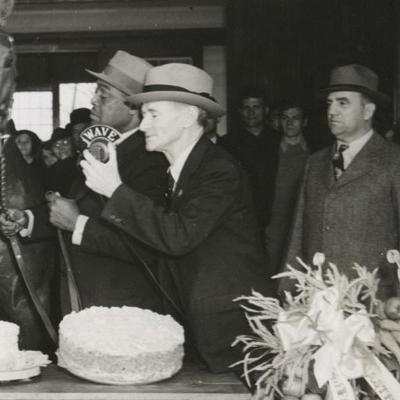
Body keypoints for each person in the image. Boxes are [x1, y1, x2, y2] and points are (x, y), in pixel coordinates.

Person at [75, 63, 271, 372]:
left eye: (153, 114)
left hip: (232, 339)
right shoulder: (179, 171)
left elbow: (177, 237)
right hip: (199, 333)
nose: (142, 126)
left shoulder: (219, 170)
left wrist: (115, 190)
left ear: (190, 116)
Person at [281, 64, 400, 297]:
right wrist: (288, 292)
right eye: (329, 103)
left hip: (373, 302)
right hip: (318, 300)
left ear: (368, 111)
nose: (332, 111)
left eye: (343, 102)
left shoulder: (398, 161)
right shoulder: (315, 162)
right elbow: (298, 234)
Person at [45, 50, 170, 312]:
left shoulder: (152, 162)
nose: (93, 101)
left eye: (104, 95)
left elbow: (148, 246)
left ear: (134, 109)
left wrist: (77, 224)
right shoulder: (100, 146)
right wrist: (29, 220)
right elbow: (77, 207)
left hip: (125, 308)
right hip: (85, 300)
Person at [219, 88, 279, 229]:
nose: (251, 112)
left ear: (265, 110)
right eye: (246, 107)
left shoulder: (278, 140)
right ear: (240, 111)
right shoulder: (226, 143)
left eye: (256, 107)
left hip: (276, 218)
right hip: (241, 219)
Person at [264, 101, 311, 274]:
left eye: (295, 118)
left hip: (305, 221)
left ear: (304, 121)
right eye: (285, 118)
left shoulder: (315, 152)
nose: (290, 123)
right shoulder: (268, 151)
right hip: (275, 224)